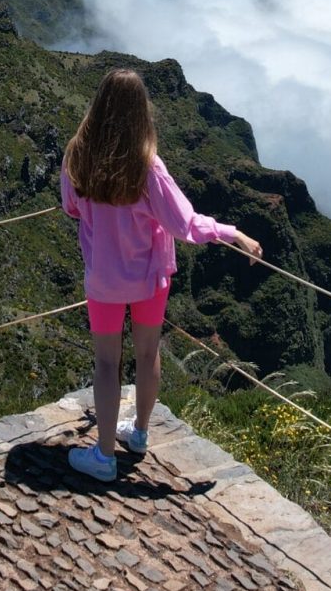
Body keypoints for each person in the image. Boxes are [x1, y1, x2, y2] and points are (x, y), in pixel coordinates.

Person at [59, 68, 262, 481]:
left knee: (105, 363)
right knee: (148, 355)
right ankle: (139, 433)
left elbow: (71, 208)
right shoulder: (147, 168)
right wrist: (233, 233)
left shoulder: (78, 156)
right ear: (141, 114)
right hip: (150, 278)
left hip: (104, 279)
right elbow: (184, 223)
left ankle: (103, 456)